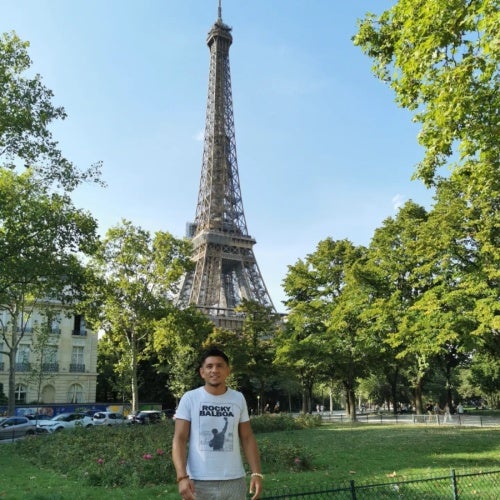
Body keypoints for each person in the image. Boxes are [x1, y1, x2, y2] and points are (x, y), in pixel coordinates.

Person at [172, 347, 263, 500]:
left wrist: (256, 473)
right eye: (209, 366)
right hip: (198, 481)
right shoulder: (190, 398)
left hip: (234, 481)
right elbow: (179, 439)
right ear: (202, 372)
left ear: (228, 371)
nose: (214, 370)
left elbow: (247, 437)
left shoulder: (238, 398)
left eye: (220, 365)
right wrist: (182, 477)